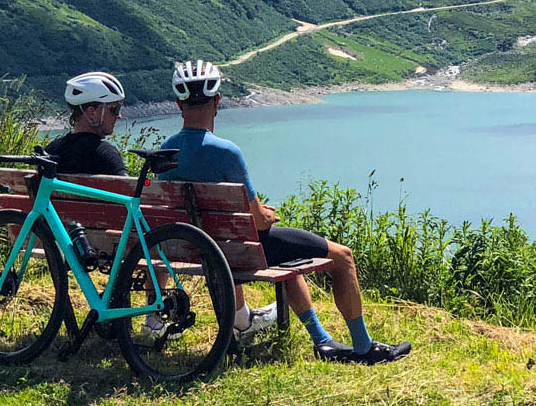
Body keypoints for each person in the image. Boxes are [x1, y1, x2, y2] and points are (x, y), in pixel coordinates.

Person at [157, 59, 411, 365]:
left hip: (194, 249)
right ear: (217, 100)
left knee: (286, 254)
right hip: (240, 251)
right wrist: (267, 215)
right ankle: (363, 347)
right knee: (342, 257)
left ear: (178, 103)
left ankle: (323, 341)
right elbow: (259, 222)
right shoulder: (226, 152)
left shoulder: (165, 151)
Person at [46, 72, 277, 336]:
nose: (119, 116)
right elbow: (135, 213)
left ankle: (149, 321)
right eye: (114, 109)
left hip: (69, 243)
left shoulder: (53, 151)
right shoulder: (105, 155)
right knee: (156, 237)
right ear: (91, 111)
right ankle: (226, 321)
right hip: (117, 245)